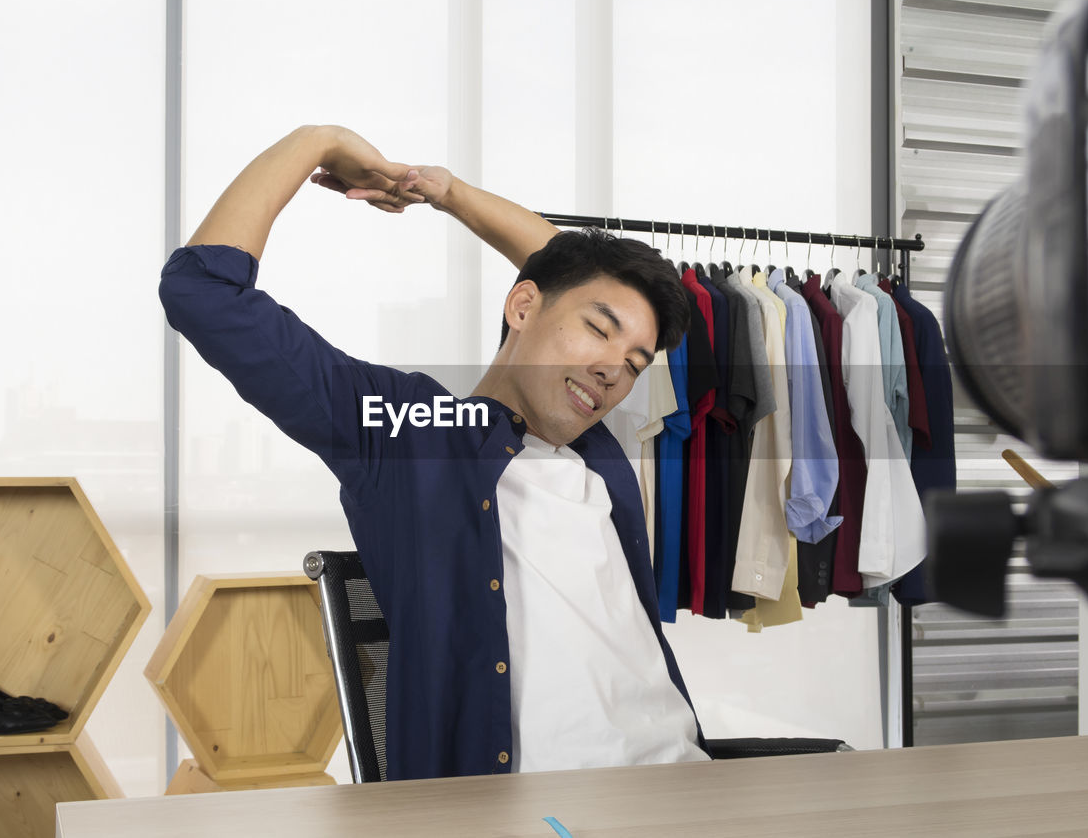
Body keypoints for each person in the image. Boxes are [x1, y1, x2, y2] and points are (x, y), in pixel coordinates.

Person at [159, 124, 708, 780]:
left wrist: (448, 193)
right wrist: (317, 140)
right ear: (522, 305)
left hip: (688, 782)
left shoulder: (597, 453)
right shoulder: (410, 433)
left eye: (635, 363)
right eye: (597, 331)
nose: (613, 370)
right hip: (542, 810)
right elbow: (204, 295)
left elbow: (568, 266)